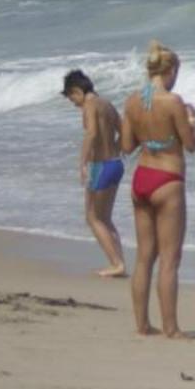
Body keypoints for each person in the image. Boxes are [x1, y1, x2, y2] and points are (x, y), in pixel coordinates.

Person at [121, 40, 195, 339]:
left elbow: (127, 146)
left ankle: (142, 324)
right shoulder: (174, 103)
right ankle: (171, 327)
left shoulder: (131, 101)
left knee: (144, 256)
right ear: (170, 70)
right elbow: (190, 145)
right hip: (167, 180)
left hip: (141, 177)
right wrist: (192, 119)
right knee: (169, 259)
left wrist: (149, 136)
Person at [62, 69, 125, 278]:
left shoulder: (89, 105)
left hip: (101, 166)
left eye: (72, 98)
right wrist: (116, 149)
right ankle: (120, 263)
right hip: (115, 163)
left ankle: (116, 264)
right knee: (105, 218)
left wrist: (82, 163)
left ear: (77, 91)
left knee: (93, 217)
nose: (74, 103)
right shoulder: (106, 103)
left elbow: (91, 133)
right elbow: (125, 130)